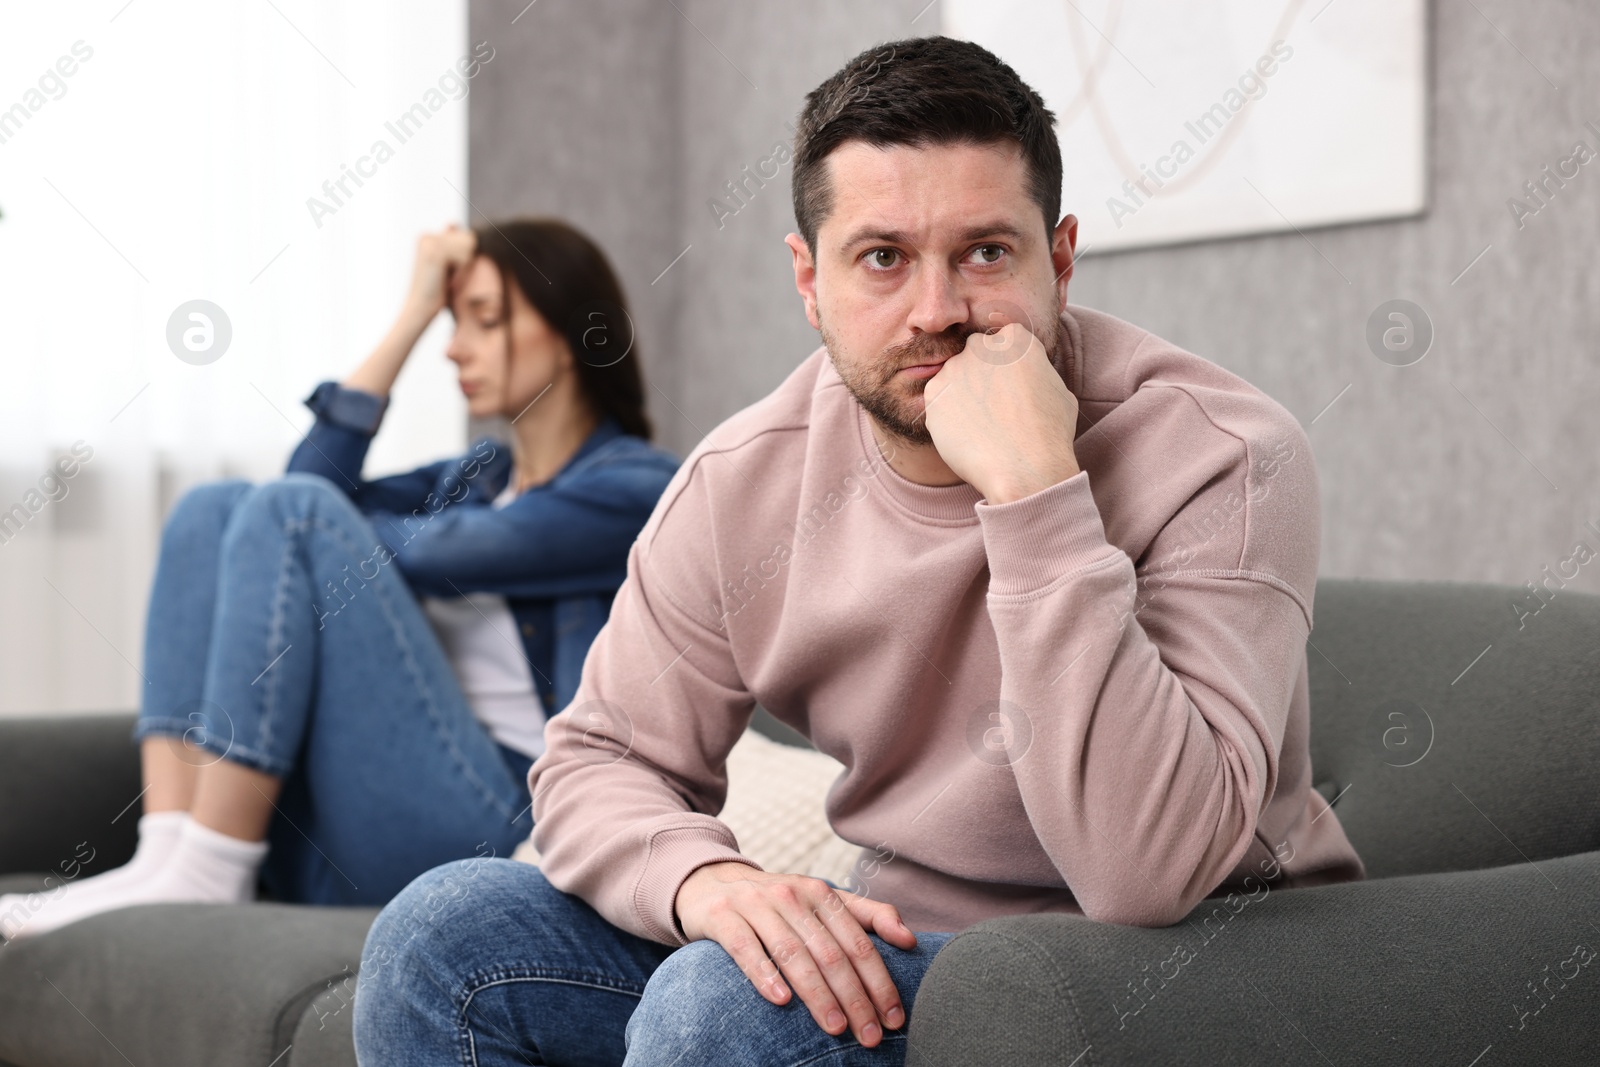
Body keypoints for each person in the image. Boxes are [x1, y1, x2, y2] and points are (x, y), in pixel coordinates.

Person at [353, 36, 1366, 1067]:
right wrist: (708, 882)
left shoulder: (1224, 455)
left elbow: (1148, 871)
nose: (936, 312)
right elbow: (601, 757)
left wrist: (1034, 491)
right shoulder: (749, 477)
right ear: (810, 280)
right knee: (441, 938)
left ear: (1058, 260)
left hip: (1192, 969)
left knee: (719, 1009)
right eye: (883, 257)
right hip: (915, 954)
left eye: (985, 252)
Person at [0, 218, 678, 940]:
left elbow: (356, 532)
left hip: (502, 823)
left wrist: (315, 542)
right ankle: (170, 848)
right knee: (214, 508)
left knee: (293, 517)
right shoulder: (476, 475)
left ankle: (208, 866)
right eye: (451, 322)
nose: (454, 347)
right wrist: (411, 315)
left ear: (574, 333)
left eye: (485, 320)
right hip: (370, 810)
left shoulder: (637, 487)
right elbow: (302, 485)